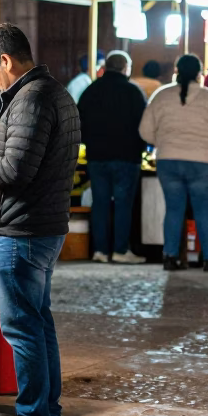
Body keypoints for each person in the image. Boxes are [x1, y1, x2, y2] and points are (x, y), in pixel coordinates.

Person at [0, 23, 80, 416]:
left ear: (6, 61)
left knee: (22, 327)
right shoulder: (53, 92)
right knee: (38, 323)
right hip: (43, 225)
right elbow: (24, 160)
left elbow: (16, 171)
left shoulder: (31, 99)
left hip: (23, 229)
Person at [138, 54, 208, 272]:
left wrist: (163, 143)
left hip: (168, 160)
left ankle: (170, 257)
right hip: (203, 162)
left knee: (174, 210)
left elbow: (145, 131)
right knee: (203, 211)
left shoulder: (161, 96)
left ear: (176, 71)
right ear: (200, 74)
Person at [77, 50, 147, 264]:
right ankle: (120, 249)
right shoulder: (133, 92)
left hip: (97, 157)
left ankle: (100, 251)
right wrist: (141, 147)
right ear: (126, 68)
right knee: (124, 204)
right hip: (127, 157)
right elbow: (143, 125)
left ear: (106, 67)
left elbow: (79, 124)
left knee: (100, 203)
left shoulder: (90, 91)